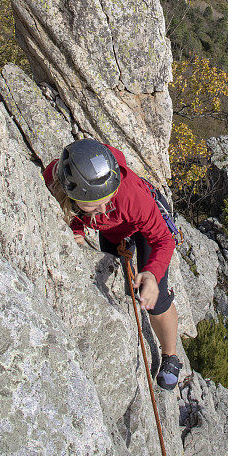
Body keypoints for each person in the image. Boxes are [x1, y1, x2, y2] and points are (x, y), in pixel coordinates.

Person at [43, 138, 181, 390]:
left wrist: (151, 272)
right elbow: (68, 205)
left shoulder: (128, 196)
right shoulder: (56, 179)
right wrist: (77, 227)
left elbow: (163, 239)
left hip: (144, 224)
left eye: (108, 198)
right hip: (114, 232)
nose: (106, 207)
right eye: (96, 205)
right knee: (119, 275)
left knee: (154, 298)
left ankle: (171, 356)